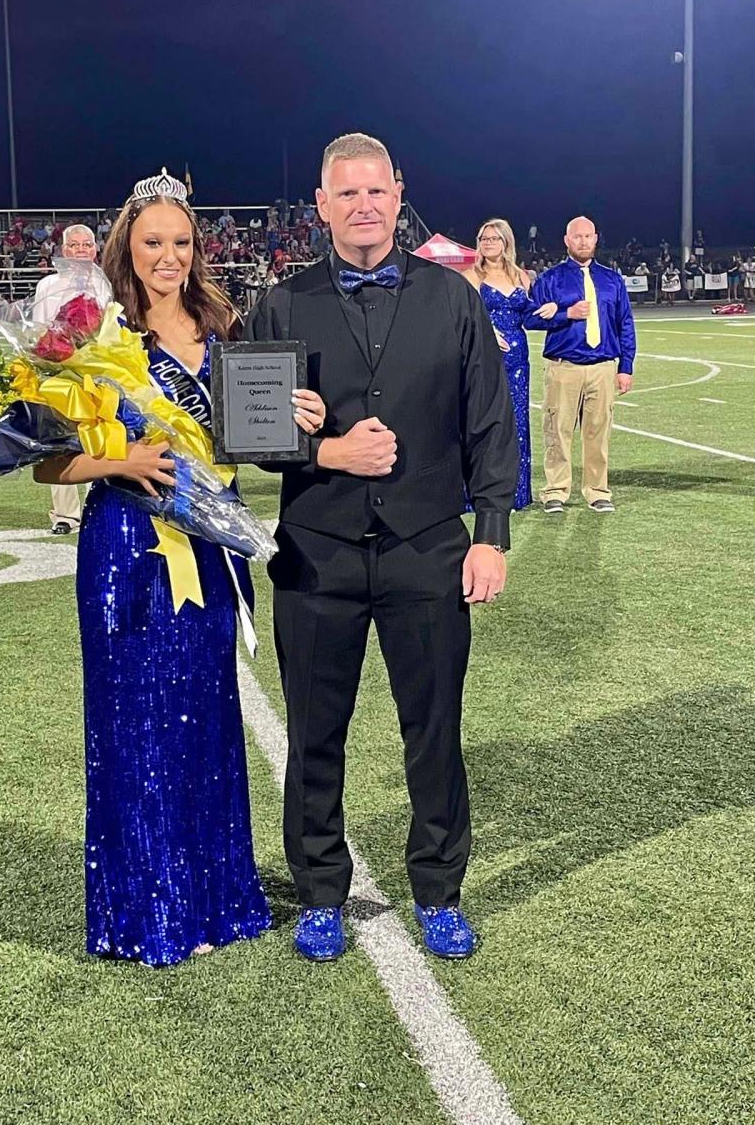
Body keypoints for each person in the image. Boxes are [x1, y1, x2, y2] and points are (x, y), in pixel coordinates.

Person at [35, 170, 324, 967]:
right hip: (126, 551)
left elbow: (248, 444)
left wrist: (296, 421)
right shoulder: (93, 331)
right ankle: (146, 911)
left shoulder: (221, 323)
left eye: (182, 242)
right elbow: (46, 465)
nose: (168, 256)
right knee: (135, 724)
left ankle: (218, 900)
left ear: (198, 250)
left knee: (206, 717)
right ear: (128, 241)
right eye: (154, 241)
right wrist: (119, 457)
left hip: (204, 546)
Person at [245, 133, 518, 962]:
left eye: (376, 191)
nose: (364, 206)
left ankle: (439, 889)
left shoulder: (454, 297)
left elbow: (489, 423)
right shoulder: (282, 302)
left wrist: (493, 537)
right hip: (317, 552)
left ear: (399, 195)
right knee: (314, 733)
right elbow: (249, 431)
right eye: (346, 194)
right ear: (321, 206)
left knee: (434, 730)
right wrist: (324, 451)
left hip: (429, 548)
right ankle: (320, 890)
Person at [525, 216, 636, 514]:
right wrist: (566, 314)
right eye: (578, 236)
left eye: (588, 236)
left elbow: (625, 323)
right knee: (557, 431)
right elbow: (529, 317)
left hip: (602, 367)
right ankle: (556, 491)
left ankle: (597, 490)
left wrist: (626, 367)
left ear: (596, 238)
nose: (584, 241)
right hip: (564, 367)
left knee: (598, 433)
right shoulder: (550, 279)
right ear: (566, 240)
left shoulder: (612, 280)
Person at [457, 219, 556, 510]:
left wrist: (552, 310)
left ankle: (517, 493)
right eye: (483, 238)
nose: (488, 243)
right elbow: (462, 319)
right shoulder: (470, 277)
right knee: (481, 422)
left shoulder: (522, 277)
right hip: (482, 358)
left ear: (506, 243)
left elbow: (529, 318)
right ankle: (476, 493)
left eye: (494, 239)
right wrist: (487, 332)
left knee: (516, 424)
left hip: (517, 361)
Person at [31, 225, 113, 535]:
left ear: (95, 249)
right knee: (59, 440)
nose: (80, 250)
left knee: (103, 436)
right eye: (74, 245)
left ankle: (103, 504)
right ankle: (65, 515)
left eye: (86, 244)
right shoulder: (49, 284)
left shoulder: (105, 282)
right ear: (64, 250)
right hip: (60, 369)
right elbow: (38, 329)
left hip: (99, 369)